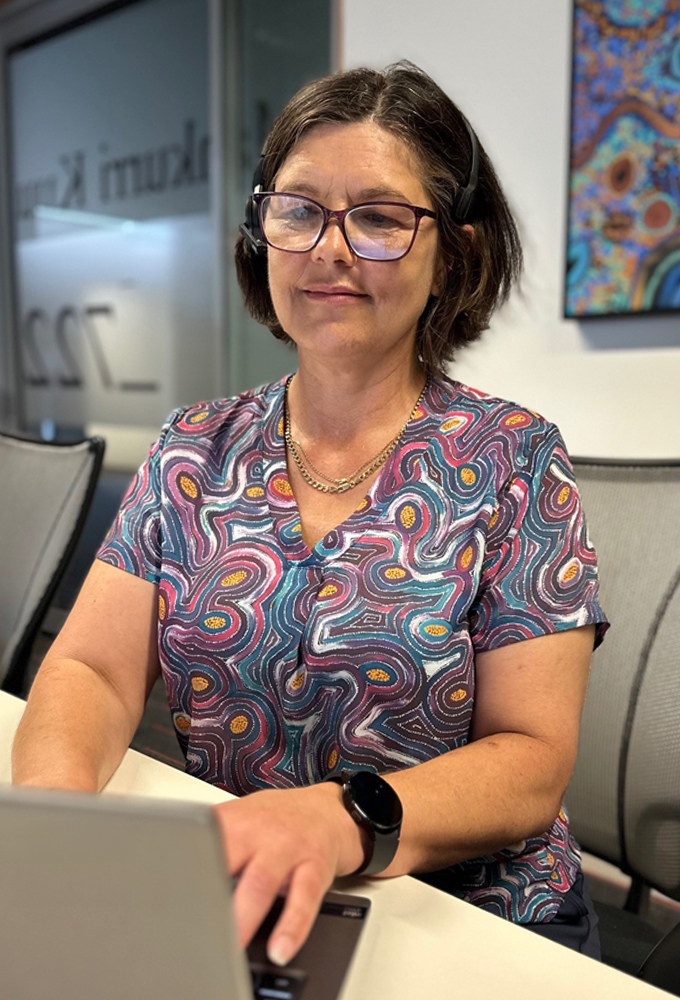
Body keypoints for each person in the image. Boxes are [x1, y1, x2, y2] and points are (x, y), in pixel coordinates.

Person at [12, 61, 609, 966]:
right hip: (242, 898)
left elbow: (531, 759)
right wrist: (55, 825)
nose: (330, 247)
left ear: (453, 251)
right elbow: (92, 667)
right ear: (263, 234)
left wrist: (340, 821)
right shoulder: (193, 449)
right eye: (298, 210)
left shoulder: (514, 460)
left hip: (473, 920)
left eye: (378, 216)